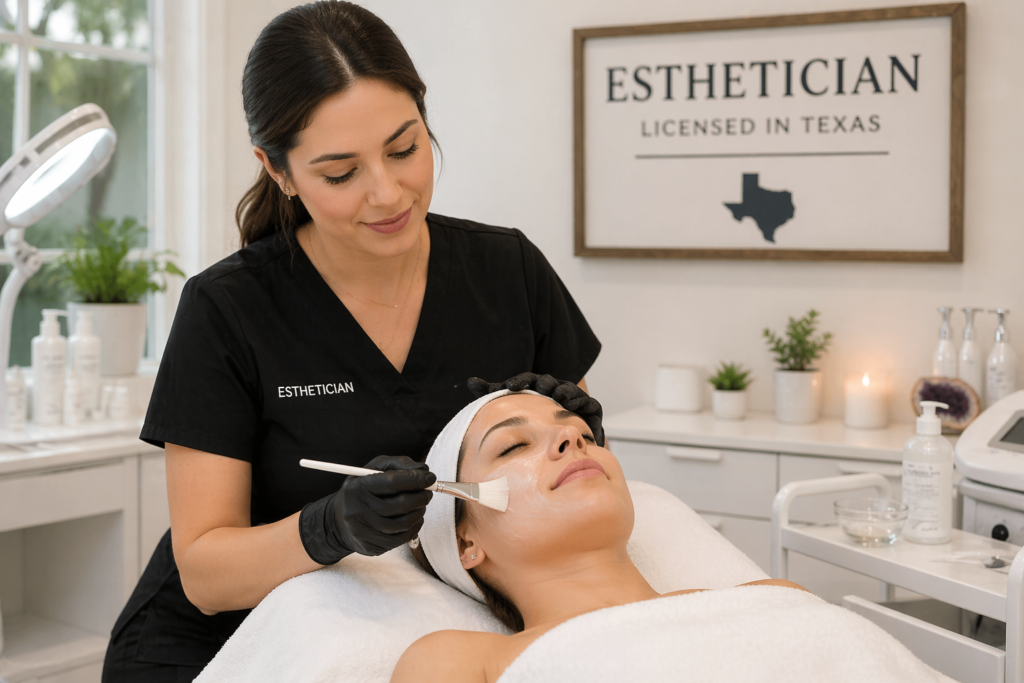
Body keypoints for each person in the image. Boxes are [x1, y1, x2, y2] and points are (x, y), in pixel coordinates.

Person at [101, 3, 600, 681]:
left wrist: (579, 425)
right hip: (219, 642)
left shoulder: (507, 271)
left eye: (405, 148)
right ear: (278, 171)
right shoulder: (227, 308)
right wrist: (328, 528)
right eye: (340, 174)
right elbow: (205, 573)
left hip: (416, 627)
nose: (388, 192)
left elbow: (579, 468)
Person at [394, 391, 806, 682]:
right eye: (514, 445)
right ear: (466, 543)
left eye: (586, 436)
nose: (572, 439)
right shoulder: (463, 662)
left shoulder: (770, 598)